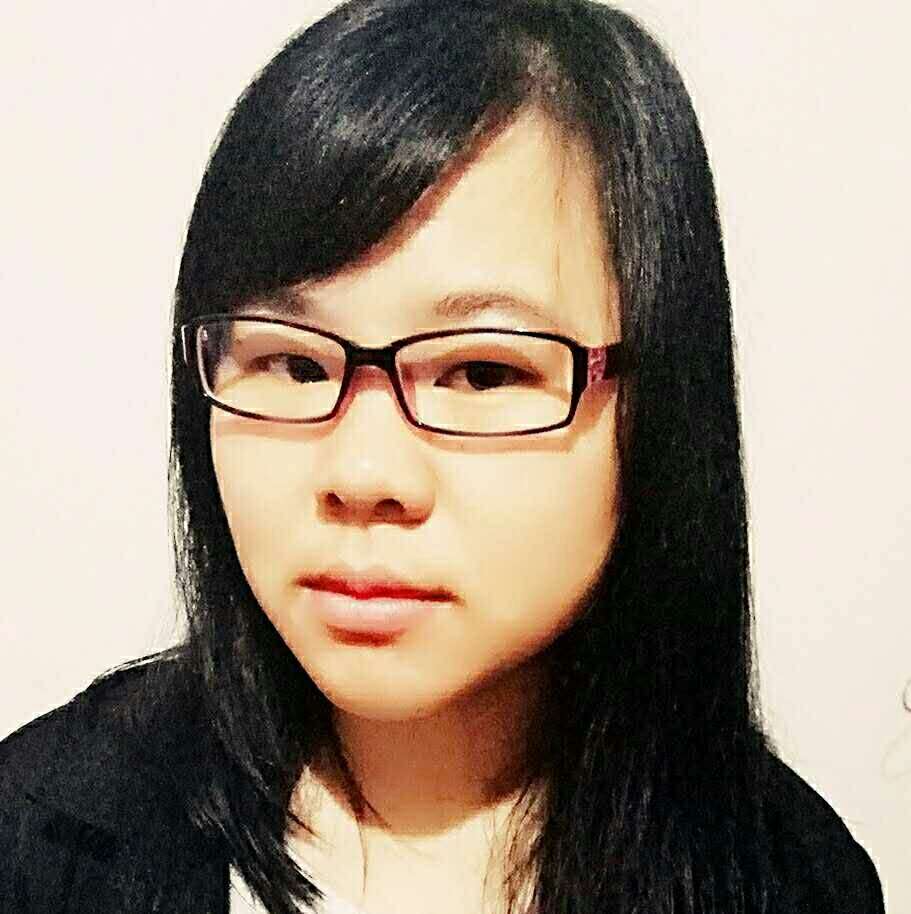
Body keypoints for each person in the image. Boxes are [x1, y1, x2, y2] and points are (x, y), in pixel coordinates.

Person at [0, 1, 887, 912]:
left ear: (656, 401)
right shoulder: (38, 836)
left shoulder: (791, 882)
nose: (362, 475)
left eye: (481, 371)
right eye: (294, 363)